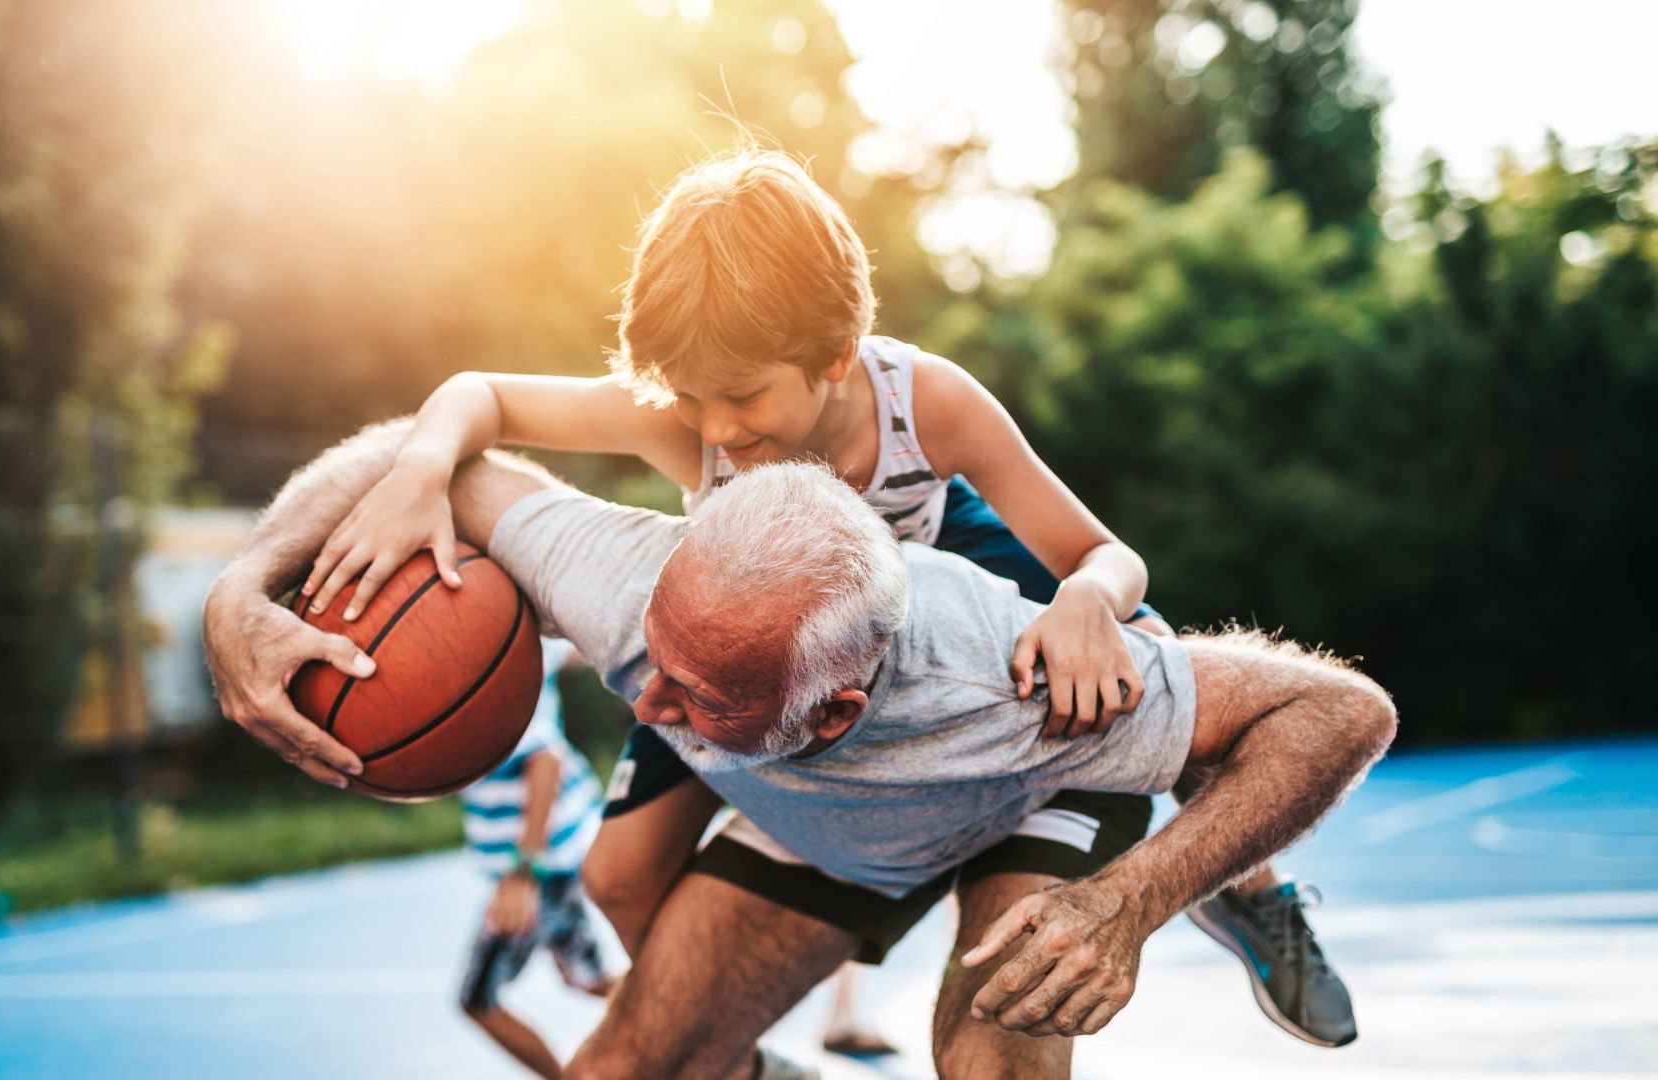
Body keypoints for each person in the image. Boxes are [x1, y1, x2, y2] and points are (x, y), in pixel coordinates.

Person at [294, 148, 1353, 1046]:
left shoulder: (921, 400)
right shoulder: (696, 413)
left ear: (837, 354)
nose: (712, 431)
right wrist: (422, 469)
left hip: (926, 610)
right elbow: (482, 394)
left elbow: (1104, 552)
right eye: (691, 396)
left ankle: (1250, 891)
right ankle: (730, 1048)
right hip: (762, 658)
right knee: (617, 875)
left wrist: (1085, 600)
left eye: (743, 395)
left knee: (1136, 655)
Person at [201, 423, 1398, 1080]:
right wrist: (240, 588)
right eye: (654, 657)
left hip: (1032, 789)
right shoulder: (621, 578)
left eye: (701, 693)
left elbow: (1343, 714)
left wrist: (1132, 904)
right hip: (835, 830)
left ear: (830, 710)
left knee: (990, 1069)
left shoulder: (1009, 672)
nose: (650, 703)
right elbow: (423, 452)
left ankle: (1246, 898)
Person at [455, 636, 613, 1079]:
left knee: (478, 1000)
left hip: (535, 864)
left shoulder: (485, 659)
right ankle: (696, 1031)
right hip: (554, 854)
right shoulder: (522, 638)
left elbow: (545, 758)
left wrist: (524, 871)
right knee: (590, 980)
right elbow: (581, 649)